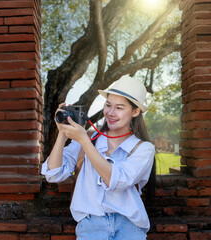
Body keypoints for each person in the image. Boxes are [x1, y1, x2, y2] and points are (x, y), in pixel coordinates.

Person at [41, 75, 156, 240]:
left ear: (135, 111)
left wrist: (83, 140)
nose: (110, 113)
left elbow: (116, 180)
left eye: (119, 107)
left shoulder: (144, 149)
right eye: (108, 105)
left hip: (129, 227)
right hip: (91, 226)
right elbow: (53, 174)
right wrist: (62, 133)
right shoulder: (89, 138)